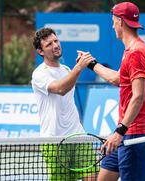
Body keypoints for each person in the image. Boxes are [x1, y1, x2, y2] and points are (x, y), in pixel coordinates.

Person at [79, 2, 145, 181]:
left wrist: (119, 132)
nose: (112, 25)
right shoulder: (132, 50)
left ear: (121, 22)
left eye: (113, 21)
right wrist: (91, 63)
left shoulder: (136, 52)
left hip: (136, 135)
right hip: (127, 133)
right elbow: (118, 80)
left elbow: (138, 96)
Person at [31, 27, 97, 181]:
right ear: (40, 51)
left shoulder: (67, 70)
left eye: (56, 41)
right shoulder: (39, 73)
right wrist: (79, 66)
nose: (55, 45)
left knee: (94, 178)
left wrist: (76, 69)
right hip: (54, 141)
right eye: (49, 44)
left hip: (78, 136)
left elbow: (68, 100)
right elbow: (60, 89)